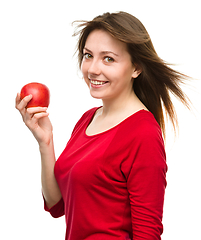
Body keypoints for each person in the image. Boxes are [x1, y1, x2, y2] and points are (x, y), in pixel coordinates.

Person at [16, 11, 190, 240]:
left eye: (108, 58)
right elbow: (56, 204)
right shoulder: (88, 118)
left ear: (136, 67)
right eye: (88, 55)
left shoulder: (143, 133)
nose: (93, 69)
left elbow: (148, 233)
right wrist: (45, 141)